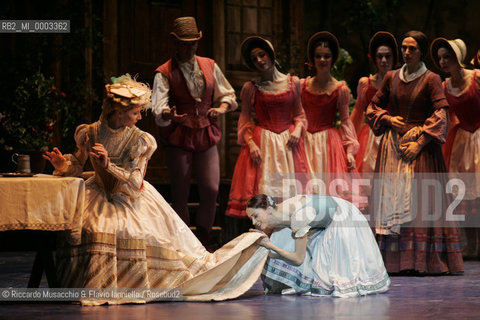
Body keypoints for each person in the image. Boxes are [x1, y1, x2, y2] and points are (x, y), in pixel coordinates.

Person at [44, 75, 267, 304]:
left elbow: (134, 183)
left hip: (129, 198)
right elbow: (78, 164)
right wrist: (64, 165)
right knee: (85, 228)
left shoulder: (140, 139)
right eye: (135, 112)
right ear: (118, 112)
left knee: (128, 232)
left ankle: (129, 286)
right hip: (97, 194)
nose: (140, 117)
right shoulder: (89, 132)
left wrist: (108, 165)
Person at [366, 31, 464, 274]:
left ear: (421, 51)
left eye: (412, 49)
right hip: (392, 148)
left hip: (420, 149)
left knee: (421, 201)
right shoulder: (391, 77)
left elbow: (441, 114)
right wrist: (388, 119)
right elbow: (373, 107)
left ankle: (422, 262)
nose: (406, 53)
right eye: (404, 48)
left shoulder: (431, 79)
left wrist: (419, 143)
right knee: (391, 200)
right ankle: (393, 263)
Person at [152, 17, 238, 247]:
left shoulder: (209, 64)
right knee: (180, 190)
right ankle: (184, 242)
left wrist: (219, 109)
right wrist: (170, 115)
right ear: (174, 42)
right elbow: (157, 106)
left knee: (211, 188)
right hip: (179, 134)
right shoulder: (164, 71)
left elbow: (227, 95)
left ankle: (204, 238)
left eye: (193, 43)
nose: (189, 48)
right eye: (184, 43)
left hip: (205, 132)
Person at [226, 36, 310, 218]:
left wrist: (297, 129)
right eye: (254, 59)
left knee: (291, 199)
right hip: (263, 142)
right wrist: (251, 143)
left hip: (288, 143)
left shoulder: (293, 83)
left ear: (271, 55)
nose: (259, 61)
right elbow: (245, 119)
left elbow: (299, 114)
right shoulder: (251, 88)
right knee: (263, 199)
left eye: (261, 55)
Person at [246, 194, 390, 297]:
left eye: (256, 216)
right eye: (251, 218)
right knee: (280, 235)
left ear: (269, 210)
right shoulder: (279, 213)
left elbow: (297, 259)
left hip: (342, 218)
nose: (253, 222)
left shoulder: (298, 217)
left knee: (333, 278)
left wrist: (270, 246)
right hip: (321, 221)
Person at [431, 37, 480, 258]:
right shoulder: (444, 86)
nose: (442, 62)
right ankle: (470, 244)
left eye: (447, 57)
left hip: (479, 136)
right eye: (440, 58)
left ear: (458, 58)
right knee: (466, 196)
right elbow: (447, 118)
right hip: (461, 141)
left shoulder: (477, 78)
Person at [350, 31, 398, 174]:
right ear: (374, 59)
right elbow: (358, 112)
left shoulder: (401, 82)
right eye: (380, 56)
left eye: (387, 56)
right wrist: (351, 142)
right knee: (369, 180)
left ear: (394, 57)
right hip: (370, 137)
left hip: (394, 135)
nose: (384, 60)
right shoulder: (366, 83)